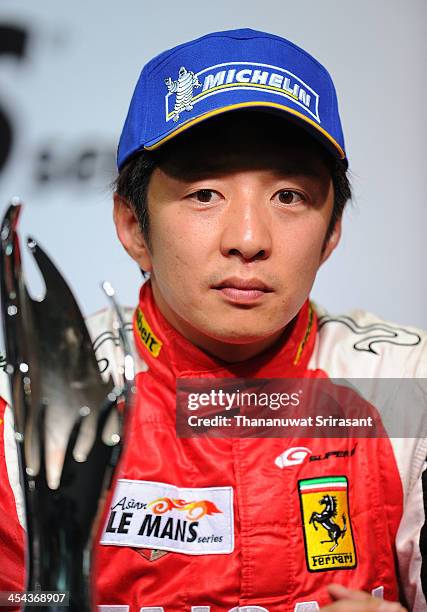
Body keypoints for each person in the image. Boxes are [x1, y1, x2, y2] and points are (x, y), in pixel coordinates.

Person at [0, 27, 426, 612]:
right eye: (204, 193)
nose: (248, 240)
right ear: (132, 225)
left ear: (332, 232)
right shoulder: (25, 401)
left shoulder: (410, 389)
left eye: (290, 196)